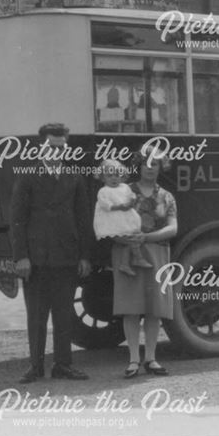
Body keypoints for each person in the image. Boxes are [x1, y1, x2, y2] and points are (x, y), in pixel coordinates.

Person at [10, 123, 93, 383]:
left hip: (66, 256)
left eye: (61, 147)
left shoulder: (75, 177)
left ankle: (63, 365)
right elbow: (17, 220)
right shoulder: (27, 176)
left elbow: (83, 219)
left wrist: (85, 256)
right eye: (51, 146)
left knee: (63, 313)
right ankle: (36, 367)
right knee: (36, 315)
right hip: (35, 259)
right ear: (41, 147)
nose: (56, 151)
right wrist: (21, 256)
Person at [112, 149, 178, 378]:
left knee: (154, 309)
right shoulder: (124, 192)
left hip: (157, 253)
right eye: (146, 164)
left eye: (155, 164)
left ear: (161, 167)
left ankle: (151, 358)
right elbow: (110, 222)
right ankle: (133, 360)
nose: (150, 168)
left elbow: (173, 227)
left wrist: (147, 237)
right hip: (127, 254)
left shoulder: (167, 196)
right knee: (131, 307)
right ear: (138, 166)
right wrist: (126, 238)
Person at [93, 159, 151, 276]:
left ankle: (126, 263)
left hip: (125, 219)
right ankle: (137, 258)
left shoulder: (124, 187)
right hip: (112, 220)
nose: (114, 178)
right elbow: (105, 205)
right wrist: (119, 207)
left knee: (131, 237)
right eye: (109, 176)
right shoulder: (104, 191)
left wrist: (132, 200)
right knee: (128, 240)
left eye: (117, 175)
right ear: (103, 178)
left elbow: (131, 195)